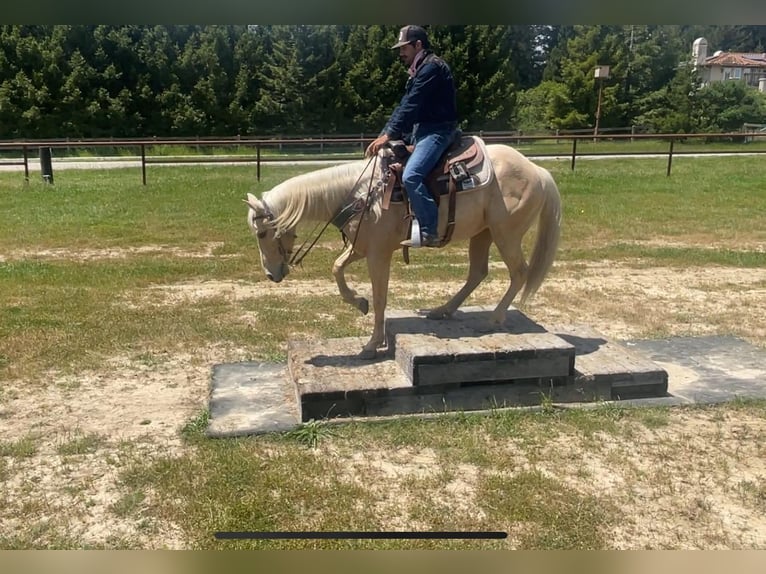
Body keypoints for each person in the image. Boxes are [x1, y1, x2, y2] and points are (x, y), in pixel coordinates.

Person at [365, 25, 458, 248]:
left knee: (411, 176)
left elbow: (411, 105)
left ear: (418, 45)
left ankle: (430, 231)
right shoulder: (421, 69)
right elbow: (404, 107)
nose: (400, 53)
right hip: (422, 130)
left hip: (438, 131)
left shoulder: (431, 68)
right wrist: (384, 136)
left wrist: (387, 135)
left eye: (404, 47)